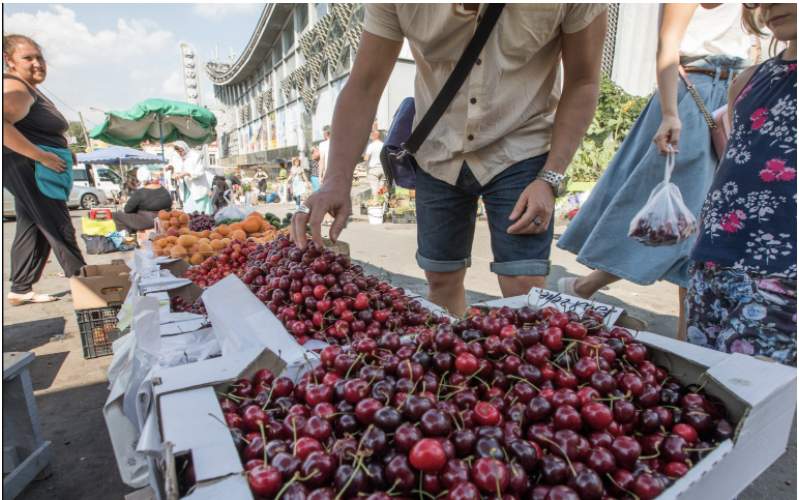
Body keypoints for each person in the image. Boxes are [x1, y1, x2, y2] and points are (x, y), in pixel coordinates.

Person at [293, 4, 608, 316]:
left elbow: (583, 81)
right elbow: (364, 85)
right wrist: (336, 178)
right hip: (437, 153)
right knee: (441, 283)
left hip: (521, 150)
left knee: (523, 285)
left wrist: (550, 177)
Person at [556, 3, 753, 340]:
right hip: (694, 95)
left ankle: (681, 335)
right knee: (679, 216)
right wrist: (670, 113)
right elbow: (668, 48)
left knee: (710, 222)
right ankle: (681, 336)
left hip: (736, 94)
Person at [685, 3, 796, 365]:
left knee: (751, 393)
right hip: (715, 254)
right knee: (702, 393)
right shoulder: (748, 80)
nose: (769, 5)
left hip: (783, 270)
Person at [3, 34, 86, 305]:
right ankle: (90, 291)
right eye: (27, 58)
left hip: (33, 165)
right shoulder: (14, 87)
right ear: (9, 61)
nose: (37, 63)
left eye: (39, 57)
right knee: (58, 227)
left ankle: (20, 287)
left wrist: (62, 150)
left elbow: (36, 128)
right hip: (29, 166)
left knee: (33, 225)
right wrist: (42, 156)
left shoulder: (28, 87)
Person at [111, 167, 172, 236]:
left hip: (148, 221)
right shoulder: (163, 189)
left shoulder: (140, 192)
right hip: (164, 218)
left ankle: (125, 237)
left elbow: (127, 209)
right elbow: (169, 204)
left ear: (138, 178)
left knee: (117, 215)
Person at [171, 140, 211, 214]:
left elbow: (200, 172)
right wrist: (176, 175)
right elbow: (177, 170)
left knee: (200, 212)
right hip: (185, 189)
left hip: (197, 187)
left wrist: (187, 173)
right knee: (188, 212)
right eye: (177, 151)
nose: (180, 153)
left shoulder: (195, 156)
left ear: (185, 149)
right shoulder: (176, 158)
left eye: (181, 151)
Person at [364, 129, 386, 194]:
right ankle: (382, 202)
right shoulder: (383, 145)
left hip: (374, 170)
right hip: (383, 169)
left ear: (373, 136)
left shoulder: (371, 146)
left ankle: (376, 202)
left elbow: (366, 158)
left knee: (375, 189)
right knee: (382, 189)